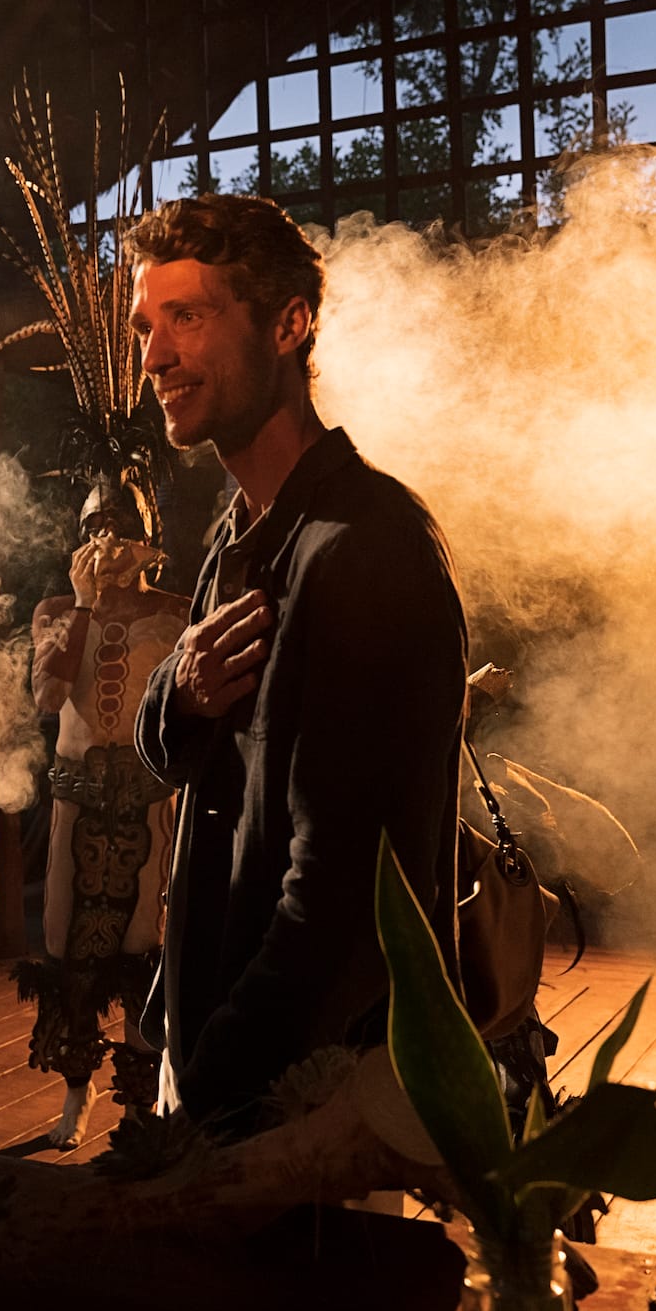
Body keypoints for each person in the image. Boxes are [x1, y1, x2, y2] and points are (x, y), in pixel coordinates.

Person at [127, 195, 467, 1132]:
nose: (154, 357)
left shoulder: (364, 547)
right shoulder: (239, 534)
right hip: (218, 1054)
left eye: (187, 318)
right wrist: (181, 691)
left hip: (307, 1094)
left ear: (288, 323)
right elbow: (170, 755)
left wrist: (218, 1087)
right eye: (147, 327)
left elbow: (349, 903)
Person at [18, 476, 187, 1147]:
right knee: (66, 946)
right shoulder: (57, 608)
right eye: (92, 527)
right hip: (75, 798)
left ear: (148, 541)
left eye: (117, 526)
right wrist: (85, 607)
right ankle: (74, 1093)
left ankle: (139, 1106)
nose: (103, 539)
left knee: (141, 945)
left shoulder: (178, 610)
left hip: (145, 800)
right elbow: (48, 698)